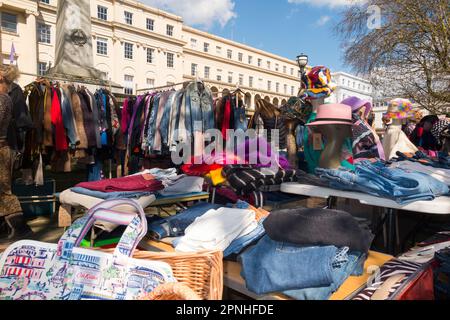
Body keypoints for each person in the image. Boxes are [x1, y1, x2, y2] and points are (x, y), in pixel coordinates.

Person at [0, 65, 33, 241]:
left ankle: (20, 228)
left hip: (3, 150)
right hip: (5, 147)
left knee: (4, 190)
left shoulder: (3, 98)